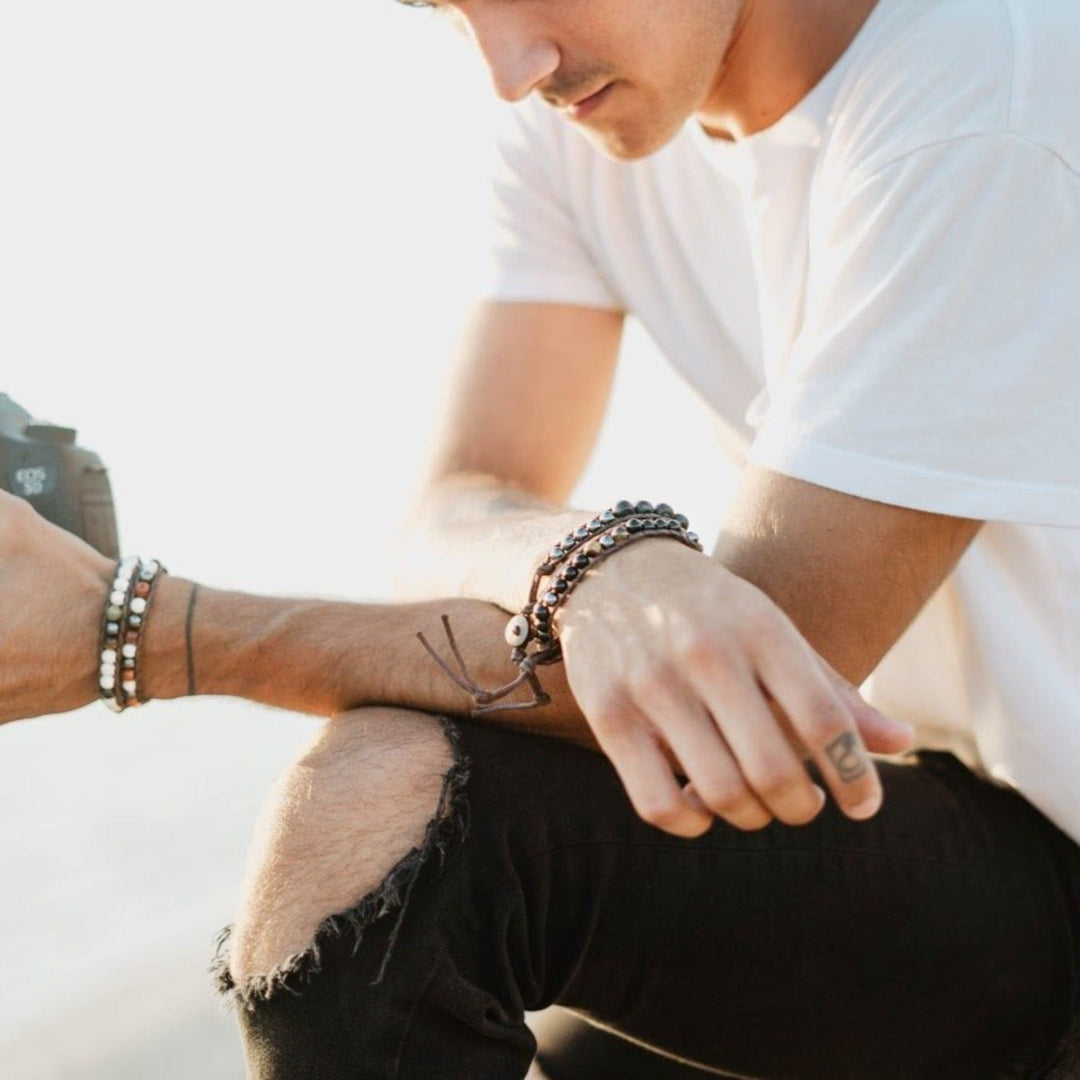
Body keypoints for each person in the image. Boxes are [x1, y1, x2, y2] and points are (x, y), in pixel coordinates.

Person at [7, 0, 1080, 1076]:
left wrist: (145, 632)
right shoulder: (588, 120)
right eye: (445, 8)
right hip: (944, 801)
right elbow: (454, 503)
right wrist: (599, 568)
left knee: (384, 814)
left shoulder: (991, 97)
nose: (510, 69)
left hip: (1056, 854)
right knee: (406, 906)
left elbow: (754, 677)